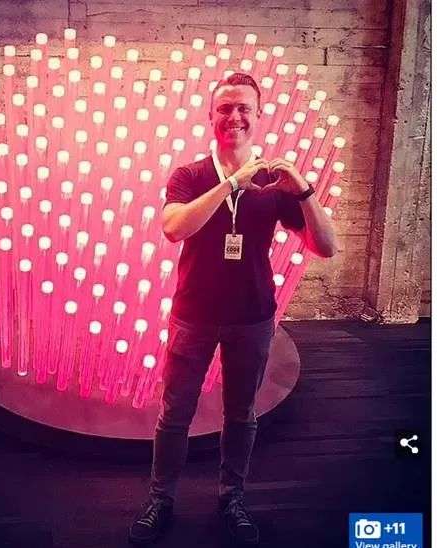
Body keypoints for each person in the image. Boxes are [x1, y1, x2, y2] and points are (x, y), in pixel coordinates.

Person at [128, 72, 339, 546]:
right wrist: (231, 184)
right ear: (211, 116)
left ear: (258, 116)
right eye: (225, 108)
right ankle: (160, 498)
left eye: (244, 108)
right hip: (193, 315)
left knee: (242, 415)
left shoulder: (276, 184)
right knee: (175, 414)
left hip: (253, 316)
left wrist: (302, 188)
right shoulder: (189, 175)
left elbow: (326, 246)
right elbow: (174, 228)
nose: (235, 116)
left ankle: (232, 498)